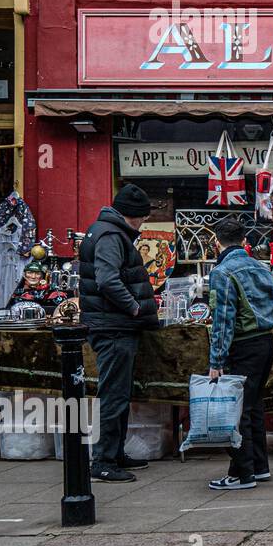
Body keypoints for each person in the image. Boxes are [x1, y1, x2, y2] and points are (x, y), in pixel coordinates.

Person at [79, 184, 160, 482]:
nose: (144, 222)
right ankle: (102, 460)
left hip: (112, 324)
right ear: (134, 215)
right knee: (113, 395)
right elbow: (107, 280)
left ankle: (114, 453)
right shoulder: (112, 235)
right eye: (143, 217)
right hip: (113, 326)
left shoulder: (105, 230)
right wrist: (135, 308)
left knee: (119, 394)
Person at [206, 216, 273, 491]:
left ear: (217, 243)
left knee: (237, 411)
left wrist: (216, 361)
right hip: (266, 341)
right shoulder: (260, 267)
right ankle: (259, 467)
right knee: (253, 406)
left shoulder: (222, 272)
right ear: (245, 241)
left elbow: (223, 319)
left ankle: (241, 473)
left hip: (243, 344)